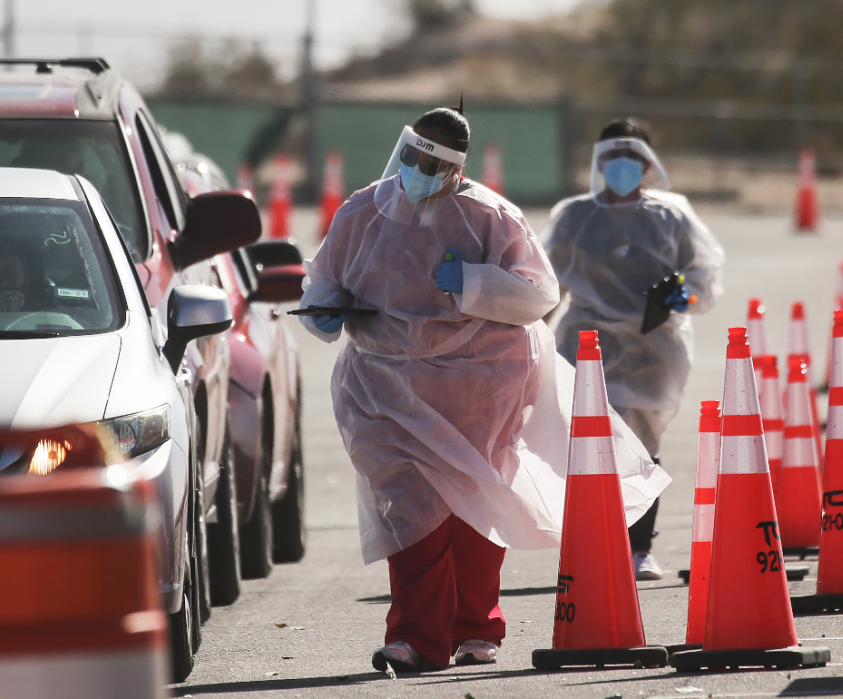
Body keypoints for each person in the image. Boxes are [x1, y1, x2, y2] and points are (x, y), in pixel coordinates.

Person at [298, 105, 670, 673]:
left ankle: (475, 628)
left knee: (474, 506)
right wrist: (320, 309)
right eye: (413, 152)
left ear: (456, 168)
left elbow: (538, 296)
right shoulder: (361, 211)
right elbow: (325, 276)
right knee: (412, 508)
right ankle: (414, 638)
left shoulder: (487, 215)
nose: (418, 166)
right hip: (382, 387)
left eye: (434, 161)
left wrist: (475, 283)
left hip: (478, 381)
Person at [545, 118, 725, 580]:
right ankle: (594, 546)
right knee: (589, 448)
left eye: (633, 158)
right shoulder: (574, 216)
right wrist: (528, 335)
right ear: (598, 163)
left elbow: (704, 271)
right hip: (587, 345)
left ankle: (639, 548)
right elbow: (549, 284)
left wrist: (687, 292)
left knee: (642, 446)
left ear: (650, 165)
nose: (622, 167)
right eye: (612, 157)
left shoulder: (671, 214)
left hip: (653, 347)